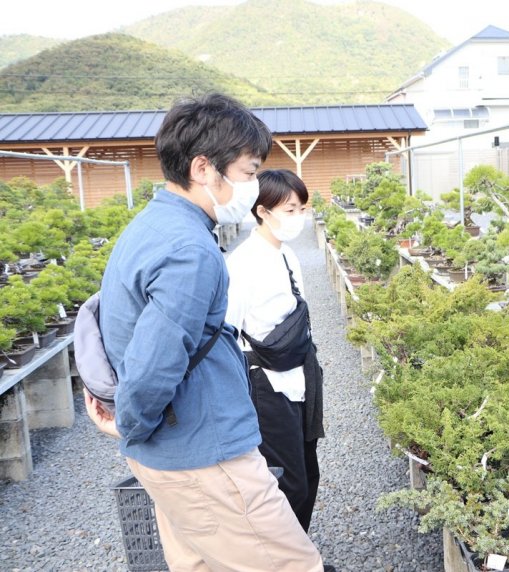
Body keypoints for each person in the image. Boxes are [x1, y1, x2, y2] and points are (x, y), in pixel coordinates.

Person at [84, 93, 328, 572]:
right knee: (292, 563)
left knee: (198, 562)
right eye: (248, 171)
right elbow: (154, 365)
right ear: (203, 168)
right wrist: (128, 425)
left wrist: (132, 427)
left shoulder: (152, 225)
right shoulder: (189, 251)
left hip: (175, 453)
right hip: (206, 452)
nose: (254, 186)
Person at [225, 169, 324, 533]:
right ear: (262, 212)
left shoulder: (286, 255)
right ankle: (281, 558)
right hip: (265, 383)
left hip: (298, 377)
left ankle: (297, 554)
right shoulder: (242, 263)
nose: (299, 218)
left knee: (308, 473)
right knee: (287, 482)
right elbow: (227, 331)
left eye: (302, 209)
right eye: (290, 210)